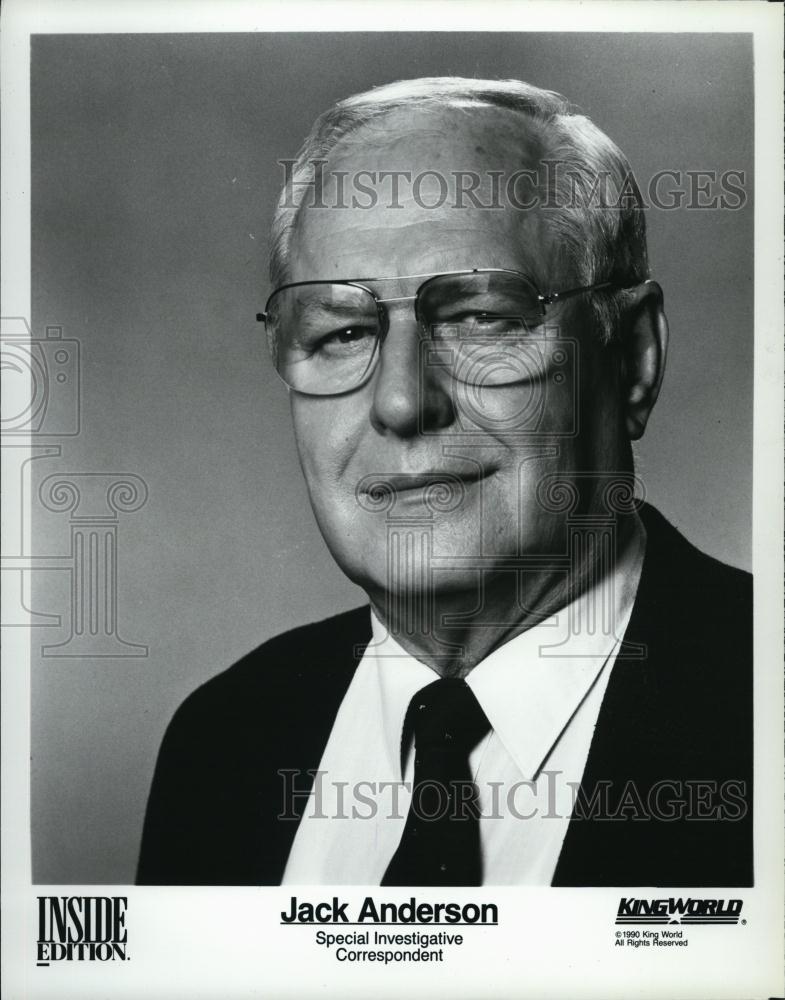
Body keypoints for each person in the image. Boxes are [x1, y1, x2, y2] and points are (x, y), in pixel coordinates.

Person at [137, 77, 752, 887]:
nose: (399, 401)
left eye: (478, 318)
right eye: (343, 330)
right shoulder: (223, 742)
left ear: (631, 360)